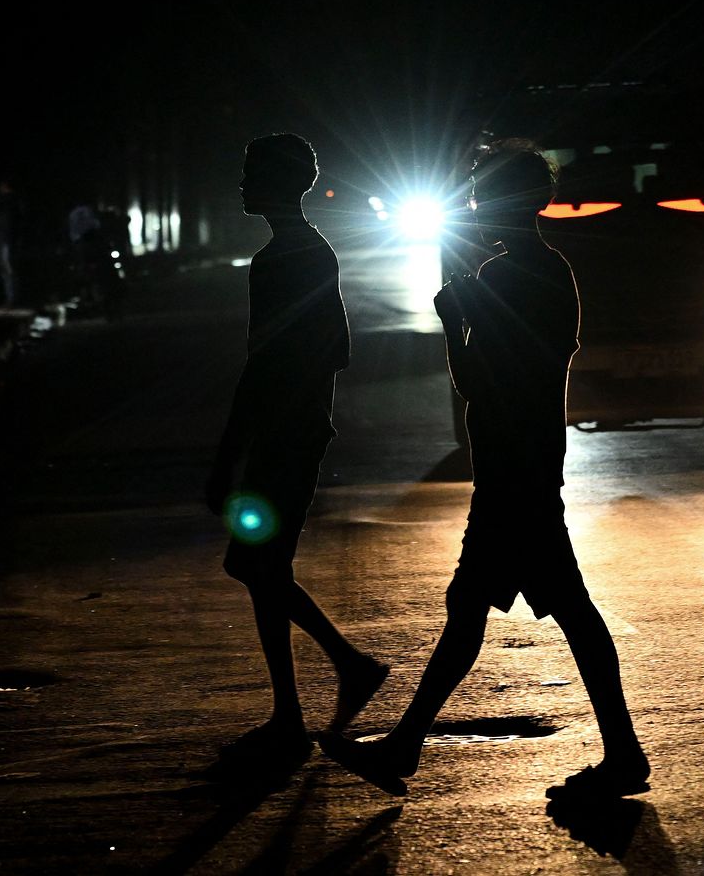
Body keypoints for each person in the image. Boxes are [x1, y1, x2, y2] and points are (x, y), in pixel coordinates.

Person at [319, 141, 651, 798]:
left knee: (521, 610)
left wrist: (453, 321)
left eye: (479, 197)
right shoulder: (551, 271)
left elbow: (480, 382)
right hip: (530, 461)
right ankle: (408, 744)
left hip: (510, 468)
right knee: (493, 608)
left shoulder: (502, 282)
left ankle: (618, 755)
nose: (474, 210)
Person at [206, 132, 389, 765]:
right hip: (296, 429)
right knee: (258, 565)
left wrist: (231, 449)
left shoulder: (285, 260)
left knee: (258, 565)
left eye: (251, 172)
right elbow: (332, 350)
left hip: (285, 434)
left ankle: (325, 684)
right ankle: (318, 686)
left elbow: (265, 364)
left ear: (277, 183)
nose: (241, 183)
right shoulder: (308, 253)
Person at [0, 178, 21, 307]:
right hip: (5, 238)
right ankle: (11, 298)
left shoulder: (7, 199)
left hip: (6, 238)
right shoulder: (11, 201)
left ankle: (11, 299)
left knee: (8, 269)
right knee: (7, 269)